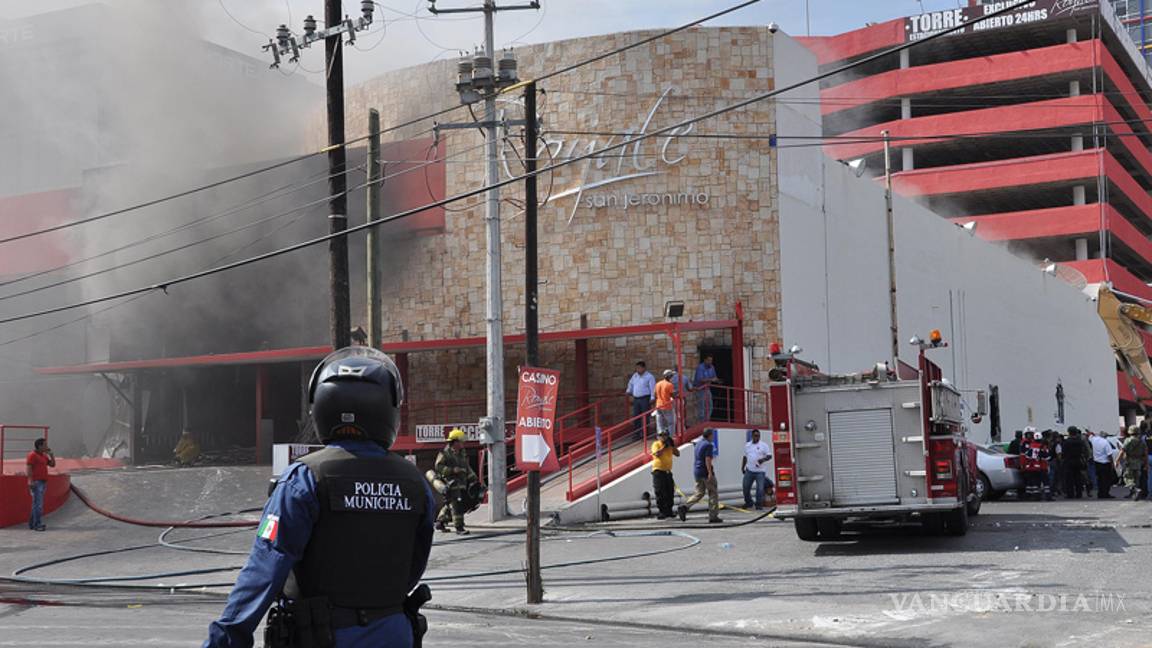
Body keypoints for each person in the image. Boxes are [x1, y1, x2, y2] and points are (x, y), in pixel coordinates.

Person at [205, 347, 434, 648]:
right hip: (392, 633)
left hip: (322, 635)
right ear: (388, 408)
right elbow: (414, 566)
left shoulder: (304, 479)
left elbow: (264, 568)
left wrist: (225, 639)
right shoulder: (416, 484)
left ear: (321, 406)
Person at [434, 428, 478, 535]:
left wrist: (474, 478)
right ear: (455, 442)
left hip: (461, 483)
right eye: (461, 441)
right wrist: (452, 470)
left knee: (451, 504)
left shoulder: (462, 453)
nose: (463, 443)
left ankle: (440, 522)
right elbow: (438, 466)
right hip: (451, 483)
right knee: (457, 504)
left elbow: (467, 467)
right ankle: (459, 528)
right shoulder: (445, 453)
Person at [679, 429, 721, 523]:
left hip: (697, 471)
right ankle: (713, 516)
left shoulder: (698, 444)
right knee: (713, 493)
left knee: (699, 493)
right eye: (712, 435)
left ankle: (685, 506)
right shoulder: (708, 445)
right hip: (705, 472)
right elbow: (707, 459)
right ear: (709, 435)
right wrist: (710, 472)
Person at [25, 438, 55, 532]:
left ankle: (32, 524)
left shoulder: (43, 456)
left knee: (36, 504)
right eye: (45, 445)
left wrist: (51, 456)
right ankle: (37, 524)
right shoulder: (32, 455)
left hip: (43, 482)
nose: (47, 447)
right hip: (36, 482)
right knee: (38, 505)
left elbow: (52, 465)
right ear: (40, 446)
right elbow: (29, 468)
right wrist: (30, 480)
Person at [650, 430, 680, 519]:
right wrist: (664, 446)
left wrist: (672, 445)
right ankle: (662, 511)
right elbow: (657, 454)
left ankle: (669, 510)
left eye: (665, 435)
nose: (664, 437)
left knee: (670, 491)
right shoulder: (656, 444)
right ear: (658, 437)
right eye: (662, 436)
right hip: (658, 471)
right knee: (660, 491)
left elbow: (677, 454)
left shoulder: (669, 445)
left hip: (667, 472)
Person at [741, 429, 772, 510]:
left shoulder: (763, 445)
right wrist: (742, 467)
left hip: (760, 471)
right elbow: (745, 457)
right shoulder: (747, 445)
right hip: (749, 470)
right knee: (745, 487)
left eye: (758, 436)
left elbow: (769, 456)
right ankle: (749, 503)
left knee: (760, 489)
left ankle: (759, 505)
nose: (757, 437)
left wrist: (763, 460)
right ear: (752, 436)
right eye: (755, 436)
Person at [625, 361, 656, 437]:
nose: (637, 369)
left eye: (639, 368)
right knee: (636, 416)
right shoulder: (635, 376)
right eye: (636, 368)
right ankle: (637, 433)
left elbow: (653, 388)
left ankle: (645, 433)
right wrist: (628, 391)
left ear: (644, 368)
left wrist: (652, 397)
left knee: (645, 417)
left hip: (645, 398)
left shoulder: (649, 376)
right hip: (636, 399)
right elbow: (631, 384)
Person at [1119, 425, 1148, 499]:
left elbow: (1122, 451)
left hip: (1129, 462)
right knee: (1136, 479)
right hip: (1138, 462)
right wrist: (1146, 464)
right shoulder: (1142, 442)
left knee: (1127, 478)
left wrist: (1117, 460)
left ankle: (1135, 490)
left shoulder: (1128, 440)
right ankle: (1134, 494)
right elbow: (1145, 454)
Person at [1089, 430, 1118, 499]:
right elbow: (1109, 455)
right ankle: (1105, 493)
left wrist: (1091, 433)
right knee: (1106, 480)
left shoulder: (1094, 440)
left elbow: (1090, 436)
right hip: (1105, 463)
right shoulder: (1105, 442)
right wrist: (1112, 464)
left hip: (1097, 463)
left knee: (1100, 480)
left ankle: (1100, 493)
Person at [1060, 426, 1087, 499]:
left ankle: (1070, 494)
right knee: (1078, 478)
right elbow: (1084, 451)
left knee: (1069, 479)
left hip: (1068, 461)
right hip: (1078, 460)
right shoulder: (1080, 441)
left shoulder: (1067, 442)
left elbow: (1063, 453)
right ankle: (1079, 493)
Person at [693, 355, 721, 423]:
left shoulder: (711, 367)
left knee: (710, 406)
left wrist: (718, 381)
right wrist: (711, 379)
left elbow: (714, 377)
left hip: (707, 389)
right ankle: (702, 423)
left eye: (711, 360)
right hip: (700, 389)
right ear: (705, 360)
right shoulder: (700, 367)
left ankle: (706, 421)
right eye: (708, 360)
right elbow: (700, 379)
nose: (710, 362)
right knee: (701, 407)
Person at [653, 370, 676, 436]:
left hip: (658, 405)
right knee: (671, 423)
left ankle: (660, 438)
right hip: (667, 405)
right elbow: (672, 395)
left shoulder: (658, 383)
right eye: (671, 375)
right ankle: (670, 437)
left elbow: (655, 394)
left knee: (660, 423)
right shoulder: (669, 384)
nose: (672, 377)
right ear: (668, 376)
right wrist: (676, 394)